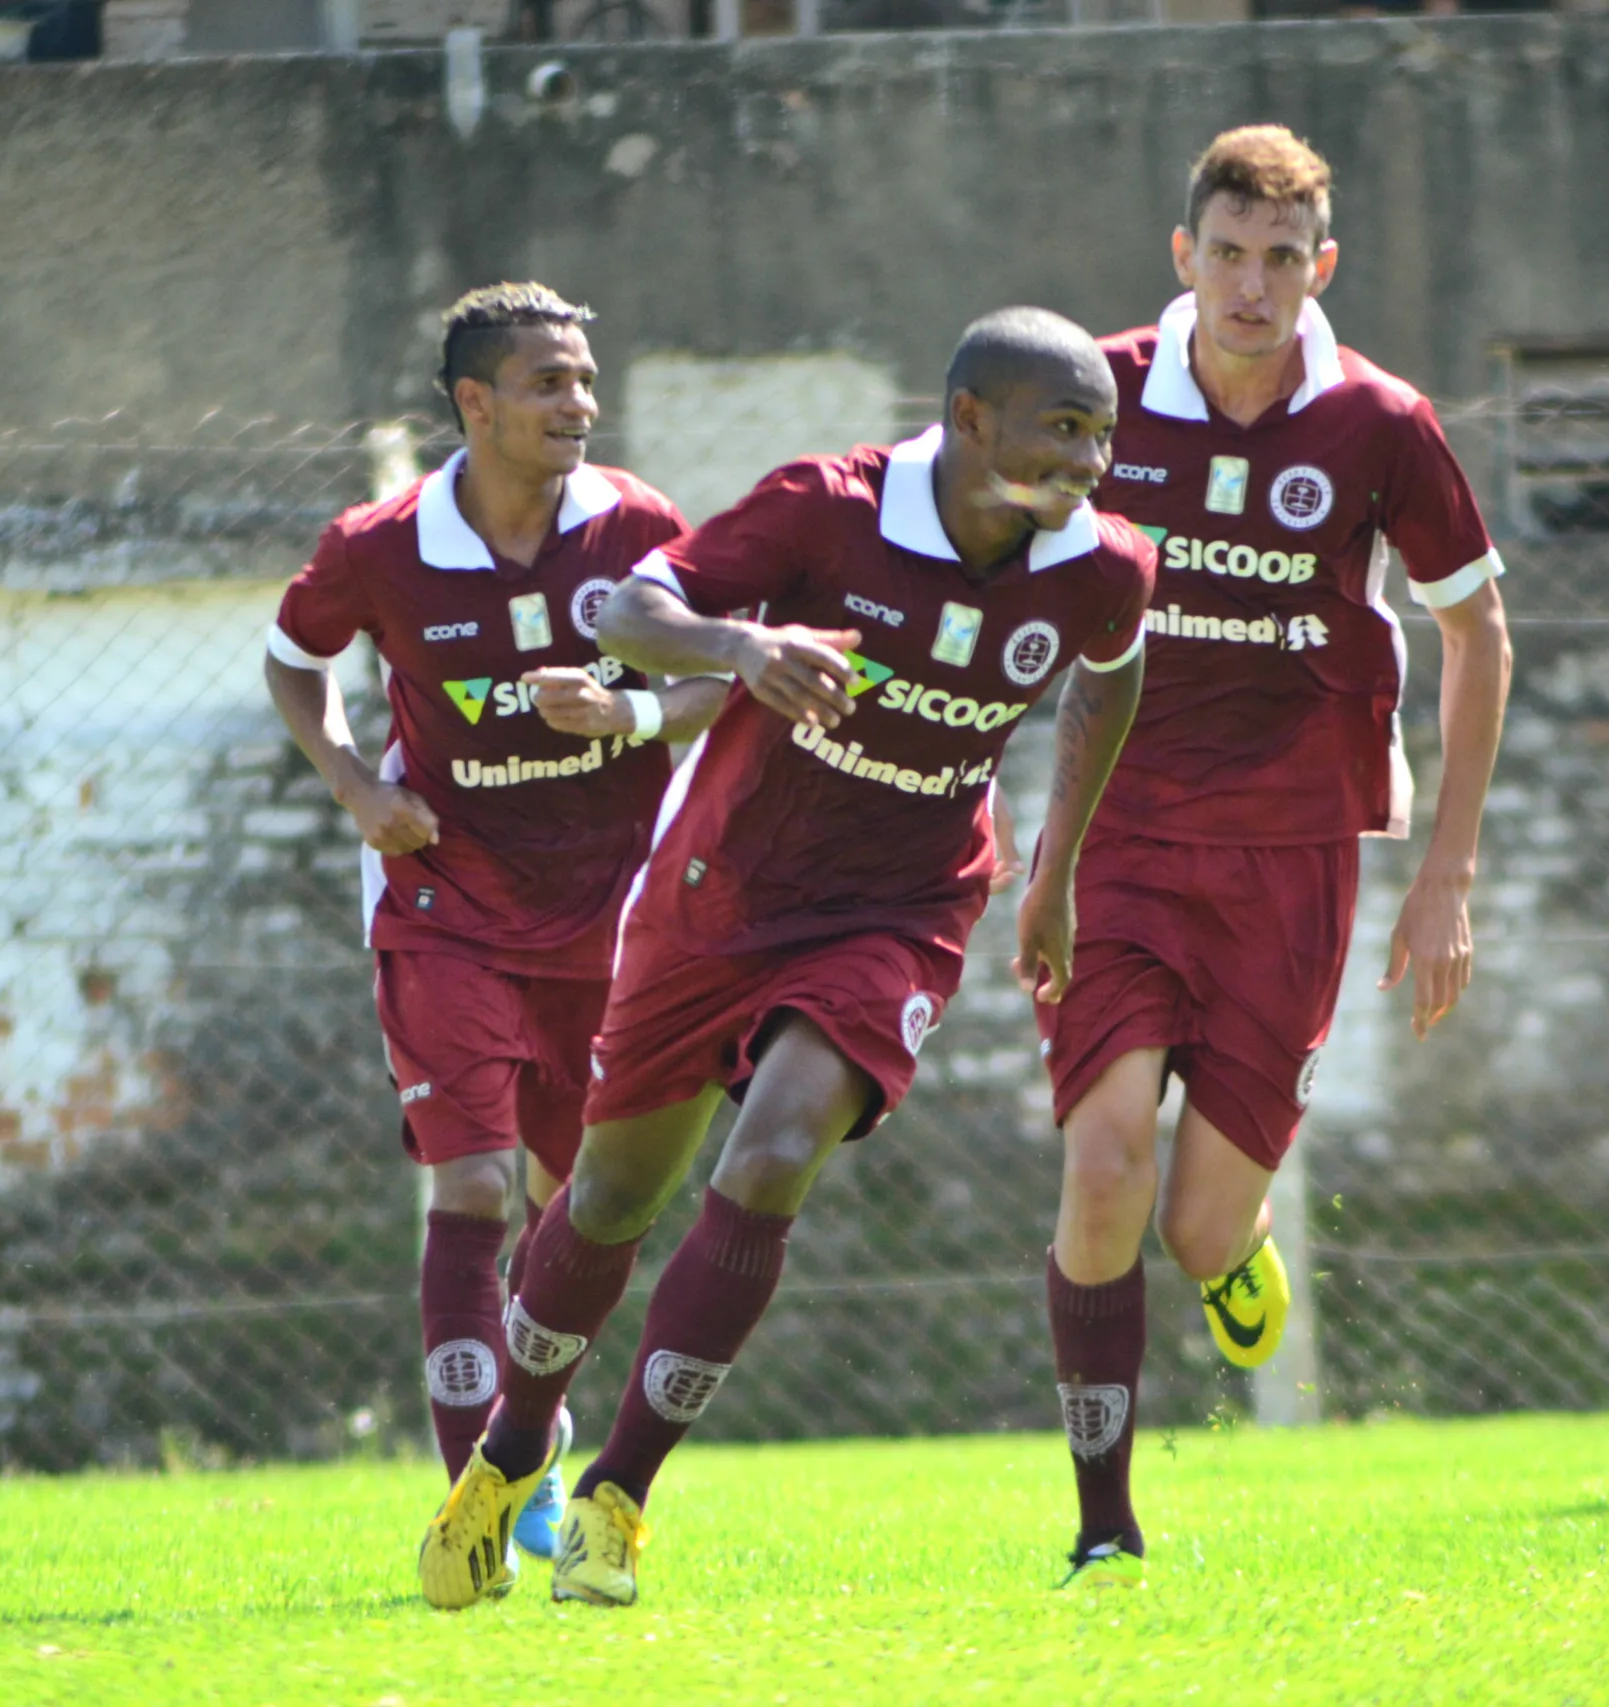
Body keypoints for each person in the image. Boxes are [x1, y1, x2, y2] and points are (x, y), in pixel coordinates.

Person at [422, 306, 1157, 1610]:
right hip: (722, 891)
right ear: (974, 421)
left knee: (768, 1159)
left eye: (1103, 432)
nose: (1090, 457)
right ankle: (513, 1451)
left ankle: (619, 1496)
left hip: (902, 906)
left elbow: (1111, 674)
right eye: (1064, 426)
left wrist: (1056, 870)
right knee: (606, 1201)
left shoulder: (1102, 564)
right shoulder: (830, 509)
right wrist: (743, 646)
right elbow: (637, 611)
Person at [1034, 125, 1511, 1586]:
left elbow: (1474, 628)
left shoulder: (1379, 422)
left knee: (1192, 1222)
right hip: (1119, 836)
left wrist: (1447, 871)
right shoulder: (1093, 396)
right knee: (1105, 1164)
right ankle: (1105, 1519)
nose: (1252, 286)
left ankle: (1234, 1251)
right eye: (1227, 255)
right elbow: (976, 568)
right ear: (1184, 257)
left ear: (1323, 268)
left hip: (1294, 852)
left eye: (1281, 260)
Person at [263, 282, 723, 1608]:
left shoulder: (637, 530)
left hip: (610, 920)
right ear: (475, 402)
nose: (578, 404)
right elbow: (295, 658)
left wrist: (628, 713)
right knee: (467, 1187)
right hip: (443, 902)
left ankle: (533, 1419)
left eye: (585, 380)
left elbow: (714, 672)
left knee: (578, 1211)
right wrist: (356, 783)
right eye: (547, 383)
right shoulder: (380, 544)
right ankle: (480, 1497)